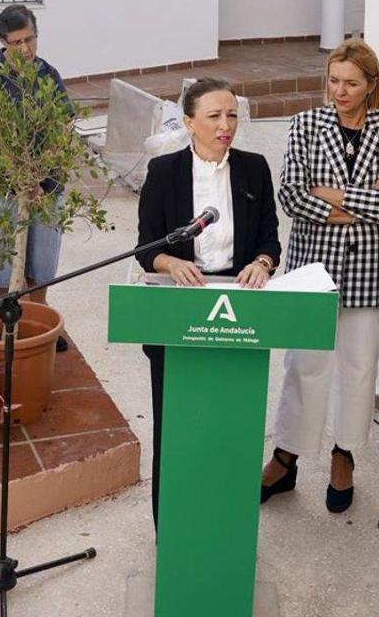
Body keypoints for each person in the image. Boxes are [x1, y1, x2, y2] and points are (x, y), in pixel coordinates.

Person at [262, 39, 379, 513]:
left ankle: (344, 455)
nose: (339, 91)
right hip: (313, 268)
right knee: (303, 364)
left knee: (359, 367)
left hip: (370, 269)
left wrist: (334, 195)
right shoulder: (306, 124)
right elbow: (291, 196)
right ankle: (286, 457)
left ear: (371, 85)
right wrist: (363, 201)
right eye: (333, 81)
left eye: (351, 83)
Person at [136, 78, 282, 528]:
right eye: (214, 116)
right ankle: (171, 530)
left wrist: (262, 262)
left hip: (240, 307)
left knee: (231, 426)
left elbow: (270, 239)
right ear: (188, 122)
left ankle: (227, 525)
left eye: (232, 115)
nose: (226, 126)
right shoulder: (164, 172)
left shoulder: (254, 168)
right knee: (176, 426)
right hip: (181, 309)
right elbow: (146, 247)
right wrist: (170, 263)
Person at [0, 4, 73, 352]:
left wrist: (39, 177)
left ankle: (36, 323)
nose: (26, 48)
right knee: (0, 264)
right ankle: (2, 328)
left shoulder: (48, 74)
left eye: (30, 39)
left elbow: (64, 128)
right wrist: (21, 177)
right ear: (3, 41)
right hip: (2, 187)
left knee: (41, 263)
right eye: (17, 42)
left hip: (46, 185)